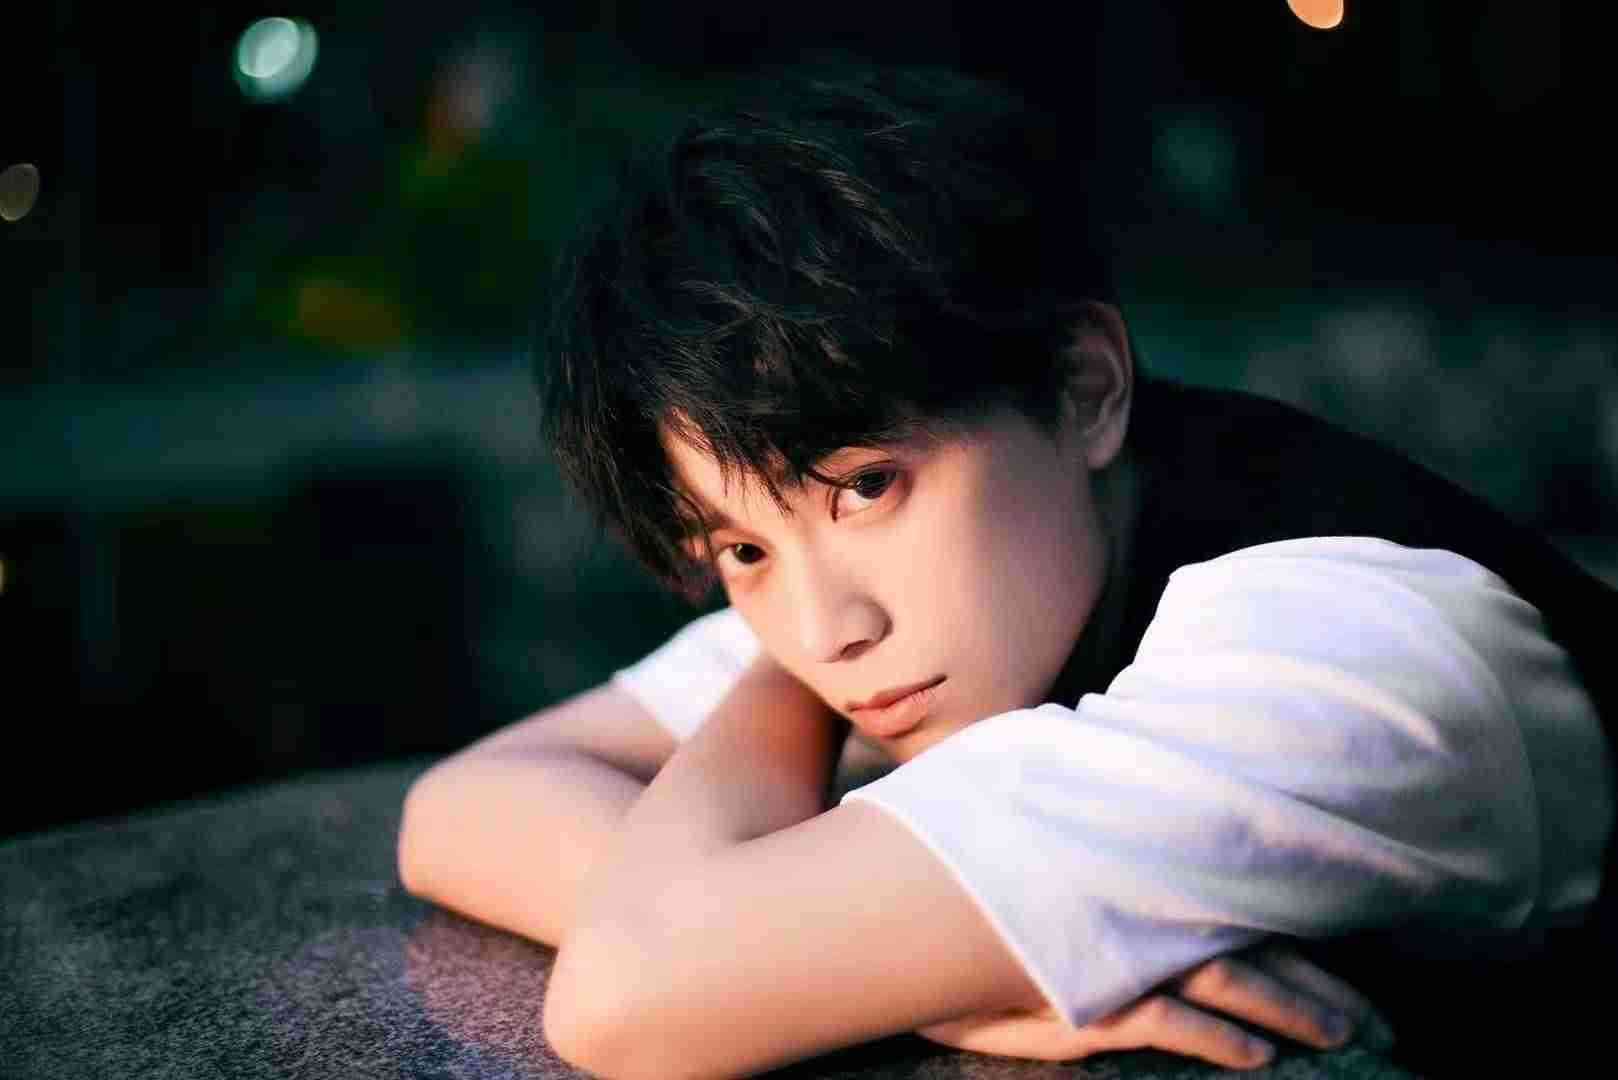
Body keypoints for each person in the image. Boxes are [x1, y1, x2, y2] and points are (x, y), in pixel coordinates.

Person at [396, 58, 1616, 1078]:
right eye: (741, 548)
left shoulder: (1332, 648)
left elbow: (629, 992)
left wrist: (784, 954)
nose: (825, 630)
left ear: (1083, 389)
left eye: (867, 486)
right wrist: (899, 969)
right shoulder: (940, 586)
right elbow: (459, 805)